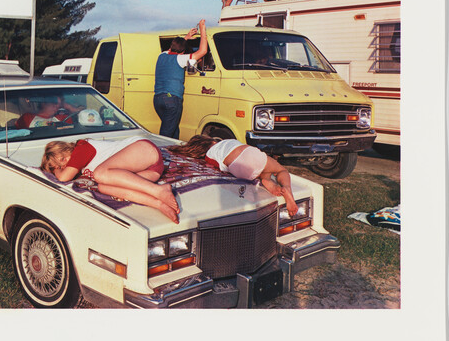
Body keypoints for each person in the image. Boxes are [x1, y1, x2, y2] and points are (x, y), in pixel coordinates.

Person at [41, 137, 180, 223]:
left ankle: (159, 190)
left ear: (66, 148)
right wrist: (56, 166)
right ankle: (159, 204)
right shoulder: (80, 166)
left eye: (62, 159)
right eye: (59, 166)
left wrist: (56, 170)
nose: (64, 165)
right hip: (150, 170)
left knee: (100, 174)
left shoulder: (81, 148)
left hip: (144, 150)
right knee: (103, 187)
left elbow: (64, 177)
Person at [169, 135, 298, 216]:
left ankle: (264, 179)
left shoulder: (209, 156)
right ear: (212, 141)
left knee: (256, 172)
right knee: (281, 170)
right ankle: (286, 188)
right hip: (249, 152)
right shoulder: (226, 141)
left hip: (238, 166)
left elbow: (220, 167)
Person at [153, 19, 208, 139]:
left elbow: (172, 49)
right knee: (166, 135)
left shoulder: (161, 55)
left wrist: (187, 37)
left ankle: (174, 153)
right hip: (171, 99)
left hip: (158, 99)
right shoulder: (181, 59)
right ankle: (162, 154)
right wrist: (202, 29)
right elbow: (203, 51)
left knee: (173, 129)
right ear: (183, 52)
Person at [15, 94, 81, 129]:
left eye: (59, 103)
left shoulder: (62, 117)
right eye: (54, 102)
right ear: (43, 103)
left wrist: (69, 107)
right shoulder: (28, 117)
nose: (57, 106)